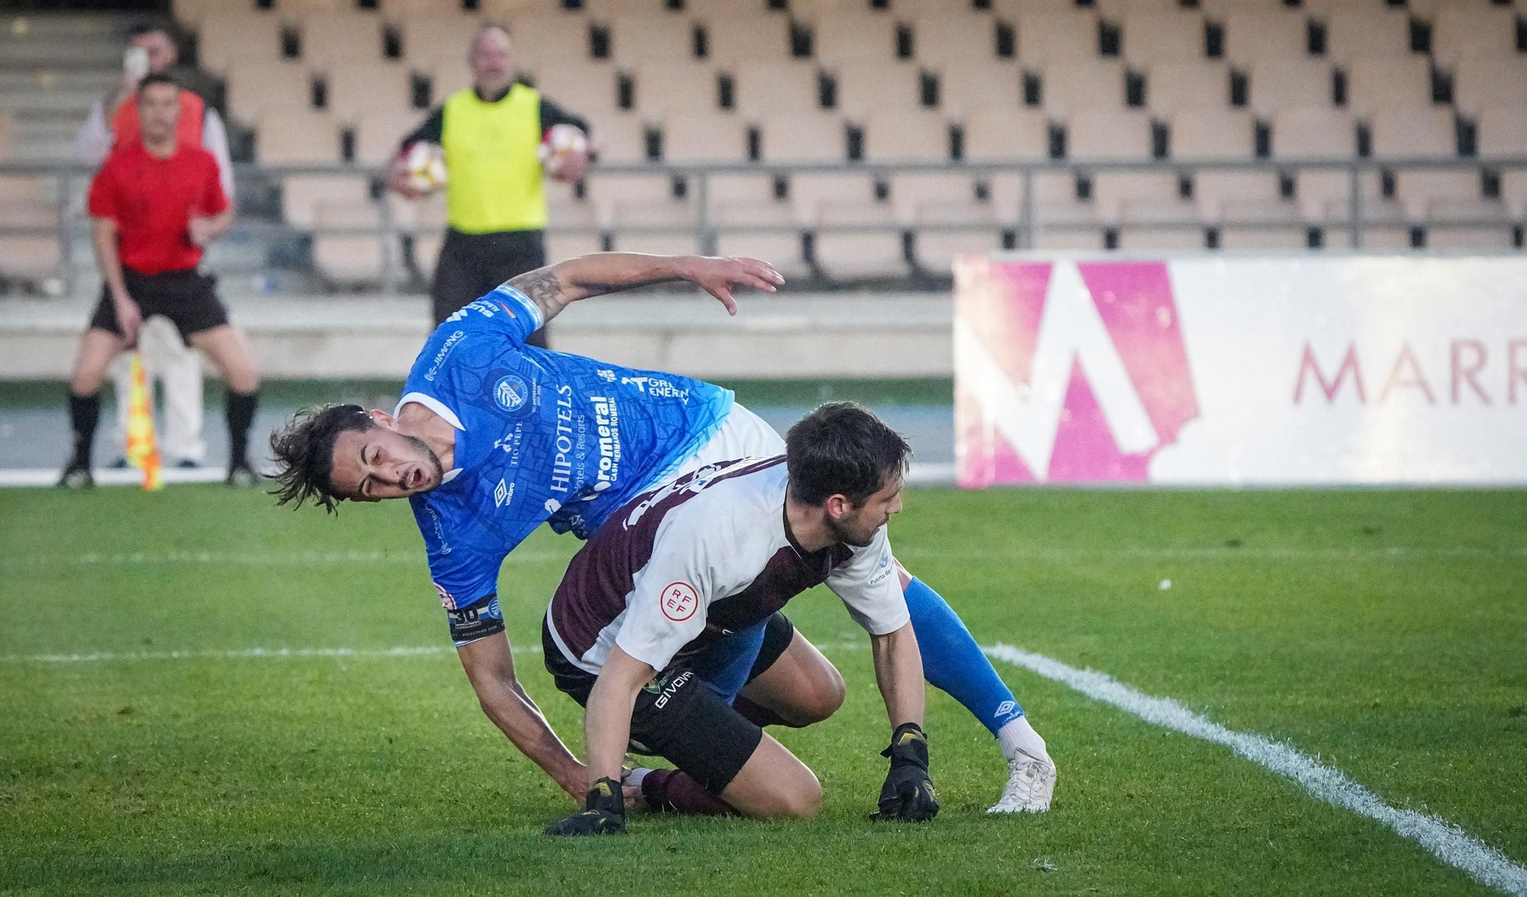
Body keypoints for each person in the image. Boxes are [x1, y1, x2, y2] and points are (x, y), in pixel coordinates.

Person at [268, 252, 1056, 814]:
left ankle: (1017, 743)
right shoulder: (453, 531)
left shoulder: (457, 354)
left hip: (701, 427)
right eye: (369, 489)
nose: (390, 479)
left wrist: (686, 265)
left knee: (861, 585)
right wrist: (571, 774)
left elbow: (568, 279)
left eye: (376, 458)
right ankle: (685, 759)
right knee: (779, 651)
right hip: (654, 527)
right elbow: (493, 681)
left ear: (379, 419)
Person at [543, 403, 939, 835]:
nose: (896, 507)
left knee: (820, 694)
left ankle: (707, 736)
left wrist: (910, 753)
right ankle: (644, 782)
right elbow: (619, 677)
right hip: (596, 649)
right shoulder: (722, 536)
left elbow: (892, 633)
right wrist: (603, 801)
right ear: (839, 505)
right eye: (886, 498)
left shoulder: (843, 518)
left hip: (713, 616)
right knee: (794, 799)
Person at [60, 74, 260, 489]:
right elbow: (102, 235)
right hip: (130, 281)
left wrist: (209, 228)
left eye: (168, 103)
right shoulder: (116, 167)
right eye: (150, 103)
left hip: (186, 281)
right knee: (86, 375)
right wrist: (119, 298)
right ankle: (80, 465)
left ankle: (240, 463)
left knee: (244, 373)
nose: (159, 112)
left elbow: (223, 212)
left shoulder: (200, 162)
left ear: (179, 110)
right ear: (138, 110)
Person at [75, 21, 235, 470]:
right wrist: (117, 95)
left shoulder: (198, 112)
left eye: (156, 50)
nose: (148, 58)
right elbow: (87, 154)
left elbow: (219, 180)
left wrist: (208, 226)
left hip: (182, 255)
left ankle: (185, 447)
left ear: (171, 57)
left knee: (182, 353)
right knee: (128, 355)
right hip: (130, 252)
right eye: (139, 51)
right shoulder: (120, 106)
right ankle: (135, 444)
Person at [386, 24, 590, 343]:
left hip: (521, 249)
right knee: (448, 340)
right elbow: (405, 152)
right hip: (462, 247)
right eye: (486, 55)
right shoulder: (452, 110)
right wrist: (398, 176)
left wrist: (579, 160)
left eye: (501, 55)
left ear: (513, 61)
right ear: (472, 61)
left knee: (529, 343)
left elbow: (583, 138)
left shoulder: (536, 107)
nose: (494, 63)